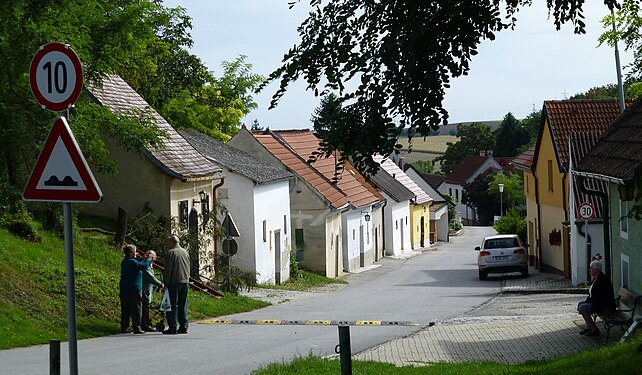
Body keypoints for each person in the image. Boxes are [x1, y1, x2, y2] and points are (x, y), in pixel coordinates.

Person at [577, 260, 616, 336]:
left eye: (591, 268)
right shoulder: (596, 278)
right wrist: (588, 301)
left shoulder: (602, 280)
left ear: (596, 269)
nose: (589, 270)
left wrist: (588, 301)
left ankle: (594, 329)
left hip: (604, 305)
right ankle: (589, 326)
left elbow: (597, 297)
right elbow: (592, 295)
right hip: (598, 303)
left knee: (583, 307)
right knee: (580, 304)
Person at [119, 244, 152, 334]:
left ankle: (124, 327)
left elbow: (138, 262)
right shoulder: (132, 262)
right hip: (134, 289)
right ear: (130, 253)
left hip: (124, 288)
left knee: (125, 309)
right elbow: (143, 266)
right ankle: (137, 327)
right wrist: (149, 259)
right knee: (136, 309)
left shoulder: (125, 261)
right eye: (135, 251)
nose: (136, 253)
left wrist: (142, 258)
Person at [163, 235, 190, 334]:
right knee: (183, 304)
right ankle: (183, 326)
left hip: (174, 282)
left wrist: (166, 282)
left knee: (173, 304)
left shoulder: (171, 253)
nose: (167, 245)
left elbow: (168, 270)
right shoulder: (185, 252)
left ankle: (173, 327)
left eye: (168, 242)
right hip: (185, 281)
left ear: (172, 242)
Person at [141, 250, 163, 332]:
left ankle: (145, 323)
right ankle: (145, 325)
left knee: (147, 307)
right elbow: (150, 277)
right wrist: (160, 284)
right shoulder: (145, 265)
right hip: (144, 289)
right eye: (153, 256)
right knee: (145, 307)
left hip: (148, 289)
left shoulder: (150, 265)